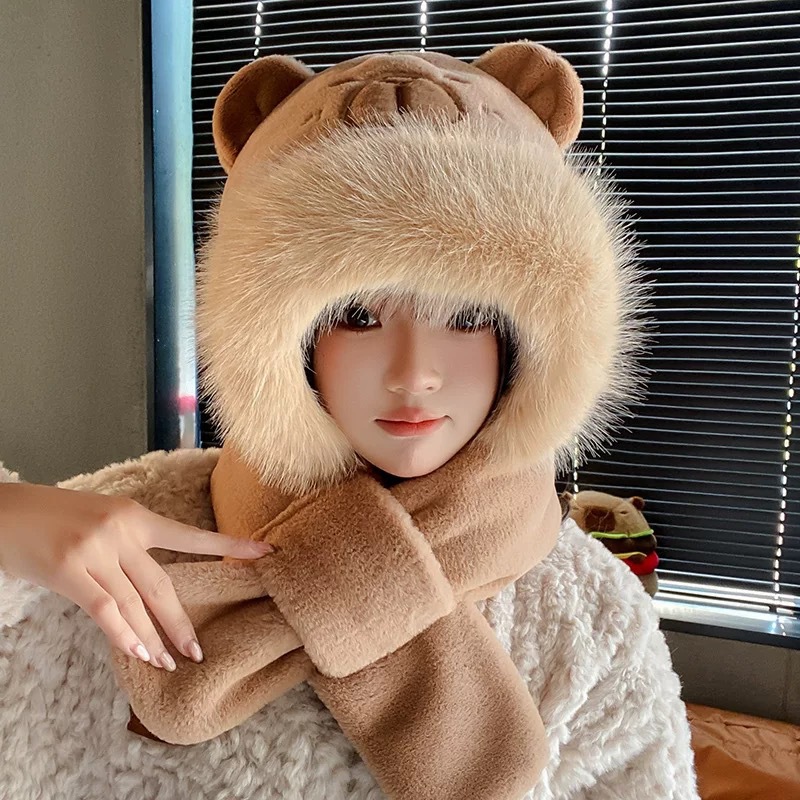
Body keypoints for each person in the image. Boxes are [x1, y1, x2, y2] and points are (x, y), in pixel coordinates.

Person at [0, 41, 700, 800]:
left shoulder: (593, 617)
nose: (413, 372)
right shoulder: (113, 539)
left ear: (531, 343)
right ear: (281, 338)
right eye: (359, 316)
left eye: (466, 317)